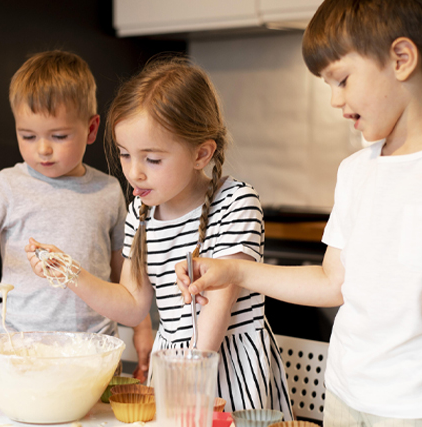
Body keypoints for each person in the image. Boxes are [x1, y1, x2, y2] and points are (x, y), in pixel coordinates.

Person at [176, 0, 422, 425]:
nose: (335, 100)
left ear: (401, 59)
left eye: (342, 80)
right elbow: (333, 282)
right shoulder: (356, 171)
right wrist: (235, 272)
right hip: (344, 394)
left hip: (419, 406)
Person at [26, 56, 293, 418]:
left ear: (201, 153)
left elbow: (211, 324)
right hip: (173, 370)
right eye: (124, 155)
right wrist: (69, 272)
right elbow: (132, 304)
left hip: (226, 374)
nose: (134, 173)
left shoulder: (235, 202)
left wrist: (180, 390)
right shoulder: (142, 210)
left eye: (152, 160)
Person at [0, 50, 153, 381]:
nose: (42, 149)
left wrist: (142, 325)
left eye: (58, 136)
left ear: (91, 128)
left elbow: (123, 273)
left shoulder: (109, 191)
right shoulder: (8, 186)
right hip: (21, 349)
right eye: (27, 136)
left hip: (95, 350)